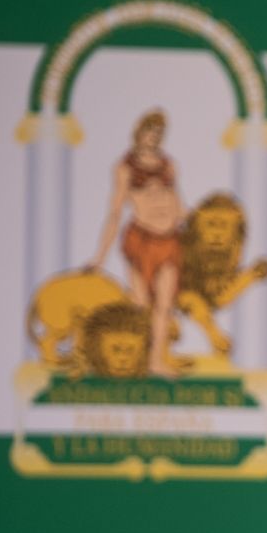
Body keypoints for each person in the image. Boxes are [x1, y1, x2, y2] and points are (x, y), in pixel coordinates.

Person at [87, 109, 185, 376]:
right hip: (141, 241)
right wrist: (99, 258)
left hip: (169, 241)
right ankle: (139, 360)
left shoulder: (168, 164)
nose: (153, 138)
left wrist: (187, 224)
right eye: (149, 131)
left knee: (164, 305)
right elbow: (116, 212)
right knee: (141, 306)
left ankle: (157, 360)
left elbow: (177, 201)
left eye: (158, 134)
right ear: (139, 132)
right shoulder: (125, 168)